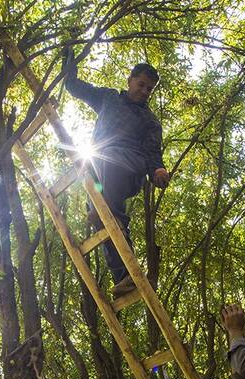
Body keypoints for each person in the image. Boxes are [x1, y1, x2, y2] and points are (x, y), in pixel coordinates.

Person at [62, 47, 170, 298]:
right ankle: (124, 277)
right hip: (100, 169)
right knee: (108, 217)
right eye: (141, 85)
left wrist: (158, 171)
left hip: (128, 169)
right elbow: (74, 86)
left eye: (149, 89)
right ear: (130, 80)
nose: (143, 92)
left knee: (100, 164)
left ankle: (104, 215)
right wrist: (69, 57)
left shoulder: (150, 121)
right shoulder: (108, 98)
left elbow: (154, 154)